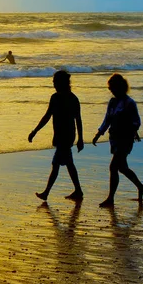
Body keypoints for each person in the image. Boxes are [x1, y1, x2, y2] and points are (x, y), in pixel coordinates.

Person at [28, 70, 84, 202]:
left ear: (62, 83)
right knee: (69, 164)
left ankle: (46, 192)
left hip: (67, 135)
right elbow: (47, 116)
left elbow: (78, 120)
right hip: (59, 135)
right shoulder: (55, 98)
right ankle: (78, 190)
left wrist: (80, 138)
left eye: (55, 82)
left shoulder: (73, 99)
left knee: (56, 164)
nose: (53, 84)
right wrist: (35, 131)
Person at [92, 73, 143, 208]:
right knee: (122, 167)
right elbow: (107, 119)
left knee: (113, 167)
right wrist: (99, 133)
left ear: (119, 87)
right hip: (114, 138)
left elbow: (137, 122)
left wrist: (130, 129)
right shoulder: (112, 102)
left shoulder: (129, 103)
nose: (110, 90)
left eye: (112, 87)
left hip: (125, 139)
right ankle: (140, 186)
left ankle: (110, 198)